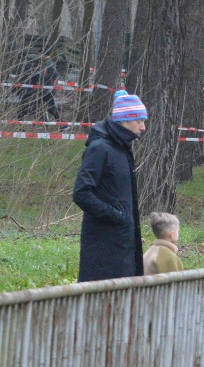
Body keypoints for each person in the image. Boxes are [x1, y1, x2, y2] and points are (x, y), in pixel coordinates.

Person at [72, 90, 147, 282]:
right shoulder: (100, 149)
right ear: (124, 120)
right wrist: (116, 216)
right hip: (103, 249)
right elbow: (81, 193)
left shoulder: (122, 148)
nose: (143, 127)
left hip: (123, 246)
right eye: (139, 120)